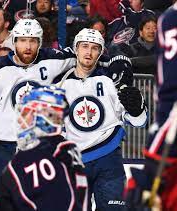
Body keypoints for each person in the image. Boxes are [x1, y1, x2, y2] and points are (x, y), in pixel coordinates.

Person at [0, 18, 77, 206]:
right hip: (1, 148)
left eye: (33, 41)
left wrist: (116, 63)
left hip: (38, 150)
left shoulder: (53, 60)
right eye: (23, 40)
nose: (28, 46)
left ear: (40, 43)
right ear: (14, 41)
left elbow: (85, 54)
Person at [57, 28, 148, 210]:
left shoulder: (110, 82)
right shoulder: (59, 83)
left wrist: (137, 109)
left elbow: (139, 122)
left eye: (94, 48)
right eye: (84, 46)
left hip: (108, 160)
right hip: (72, 162)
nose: (89, 52)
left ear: (100, 52)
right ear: (76, 49)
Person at [0, 86, 88, 211]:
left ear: (43, 117)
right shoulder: (64, 148)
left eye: (25, 113)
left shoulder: (35, 158)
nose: (19, 119)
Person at [124, 2, 177, 210]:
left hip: (169, 146)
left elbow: (173, 99)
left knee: (140, 196)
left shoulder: (172, 19)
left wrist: (152, 166)